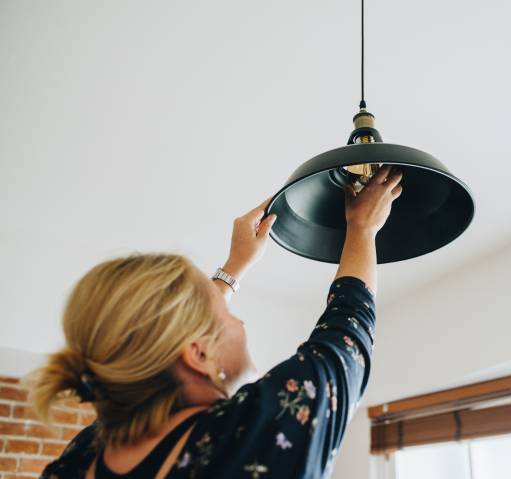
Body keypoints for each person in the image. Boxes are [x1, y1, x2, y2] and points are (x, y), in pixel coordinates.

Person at [29, 165, 403, 478]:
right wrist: (362, 228)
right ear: (197, 354)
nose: (239, 324)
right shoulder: (245, 436)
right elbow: (346, 335)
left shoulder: (82, 458)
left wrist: (232, 269)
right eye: (226, 314)